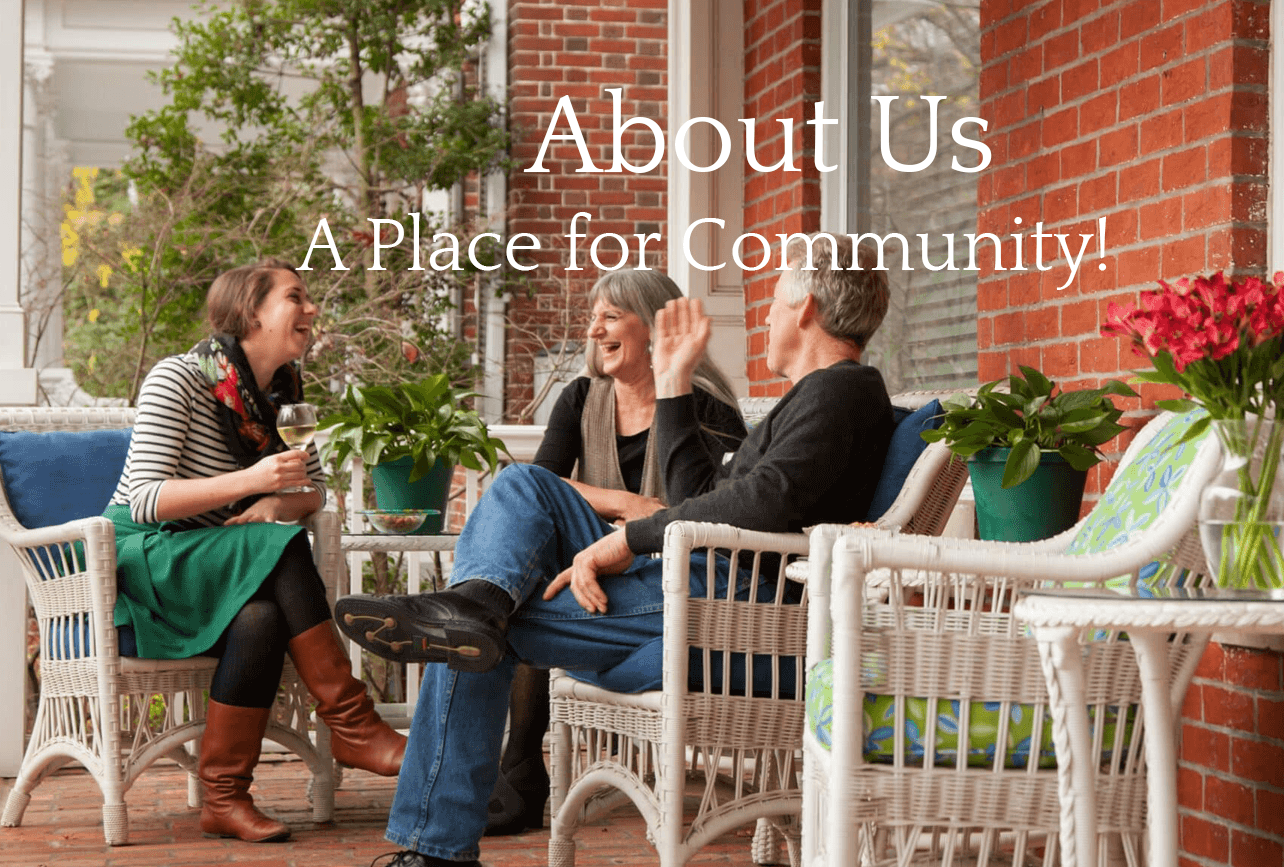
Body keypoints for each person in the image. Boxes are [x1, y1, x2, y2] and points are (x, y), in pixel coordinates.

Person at [337, 235, 897, 867]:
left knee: (474, 633)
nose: (765, 314)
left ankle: (436, 847)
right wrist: (674, 382)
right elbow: (706, 496)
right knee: (523, 490)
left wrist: (628, 539)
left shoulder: (842, 392)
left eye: (772, 298)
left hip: (737, 608)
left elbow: (759, 505)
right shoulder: (818, 397)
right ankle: (477, 603)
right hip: (699, 583)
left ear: (807, 307)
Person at [107, 258, 406, 843]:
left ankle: (223, 797)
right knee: (277, 546)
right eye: (296, 297)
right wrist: (254, 483)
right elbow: (143, 498)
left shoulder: (286, 394)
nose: (312, 309)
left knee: (261, 617)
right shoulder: (179, 378)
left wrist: (275, 504)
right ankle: (352, 721)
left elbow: (311, 490)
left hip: (224, 558)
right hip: (151, 558)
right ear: (250, 311)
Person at [483, 269, 748, 834]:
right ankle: (520, 767)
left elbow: (711, 518)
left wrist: (648, 521)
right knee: (525, 519)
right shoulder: (581, 398)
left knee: (521, 598)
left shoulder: (706, 410)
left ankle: (520, 771)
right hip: (590, 562)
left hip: (670, 575)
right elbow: (543, 485)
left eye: (610, 315)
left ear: (656, 328)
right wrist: (628, 502)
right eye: (593, 316)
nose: (594, 328)